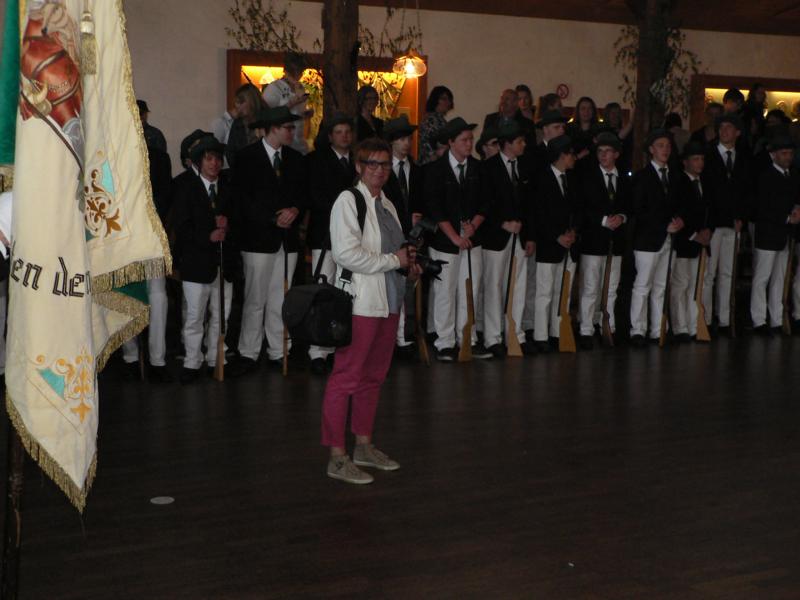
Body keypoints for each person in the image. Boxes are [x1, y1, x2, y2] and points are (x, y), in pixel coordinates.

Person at [322, 137, 422, 485]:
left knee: (373, 377)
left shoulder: (388, 204)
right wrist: (393, 260)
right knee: (346, 377)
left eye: (385, 164)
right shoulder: (348, 201)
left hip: (388, 301)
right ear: (359, 167)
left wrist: (408, 264)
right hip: (361, 303)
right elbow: (345, 254)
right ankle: (337, 456)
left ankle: (363, 445)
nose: (380, 170)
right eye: (372, 164)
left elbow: (396, 251)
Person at [228, 106, 307, 376]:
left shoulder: (295, 159)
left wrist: (295, 210)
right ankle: (248, 352)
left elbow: (301, 194)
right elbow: (242, 200)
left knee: (280, 298)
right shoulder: (246, 157)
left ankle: (279, 350)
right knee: (255, 298)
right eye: (288, 128)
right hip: (258, 240)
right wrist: (272, 218)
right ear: (273, 129)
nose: (292, 132)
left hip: (287, 240)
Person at [171, 137, 239, 384]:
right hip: (196, 263)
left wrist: (227, 226)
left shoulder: (228, 187)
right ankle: (192, 361)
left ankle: (216, 358)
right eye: (209, 159)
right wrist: (208, 234)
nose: (214, 164)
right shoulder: (186, 187)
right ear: (199, 163)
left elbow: (240, 221)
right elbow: (181, 226)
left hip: (223, 263)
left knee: (221, 314)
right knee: (194, 316)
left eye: (218, 159)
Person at [425, 117, 491, 361]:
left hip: (472, 239)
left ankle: (468, 339)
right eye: (464, 140)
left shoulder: (478, 168)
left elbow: (486, 202)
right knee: (445, 290)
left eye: (471, 139)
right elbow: (435, 207)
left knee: (469, 290)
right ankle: (444, 342)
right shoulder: (435, 170)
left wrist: (473, 226)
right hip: (445, 242)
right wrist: (454, 237)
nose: (469, 144)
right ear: (451, 142)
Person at [306, 114, 356, 375]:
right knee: (323, 291)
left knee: (345, 293)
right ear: (330, 136)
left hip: (351, 237)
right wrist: (341, 213)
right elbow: (315, 196)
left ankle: (340, 347)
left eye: (347, 131)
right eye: (339, 132)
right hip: (324, 235)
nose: (344, 136)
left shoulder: (357, 162)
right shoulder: (317, 161)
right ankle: (318, 351)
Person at [480, 121, 535, 357]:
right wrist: (502, 223)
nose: (524, 145)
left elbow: (529, 205)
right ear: (508, 144)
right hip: (496, 237)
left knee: (518, 286)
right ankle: (492, 337)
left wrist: (529, 236)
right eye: (520, 141)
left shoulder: (524, 166)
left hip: (519, 236)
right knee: (494, 286)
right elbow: (484, 204)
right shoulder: (488, 168)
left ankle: (515, 333)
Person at [629, 129, 685, 346]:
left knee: (661, 286)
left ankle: (657, 329)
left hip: (668, 239)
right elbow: (639, 210)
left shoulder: (675, 176)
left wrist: (679, 220)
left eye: (668, 146)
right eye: (661, 146)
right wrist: (663, 225)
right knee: (643, 285)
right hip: (647, 240)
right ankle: (638, 330)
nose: (665, 150)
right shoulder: (642, 177)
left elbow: (678, 204)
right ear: (651, 150)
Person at [576, 131, 630, 349]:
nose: (604, 155)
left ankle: (608, 325)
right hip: (593, 241)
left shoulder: (623, 178)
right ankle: (586, 329)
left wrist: (622, 217)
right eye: (600, 151)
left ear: (616, 154)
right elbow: (583, 207)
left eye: (608, 151)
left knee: (611, 287)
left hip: (615, 242)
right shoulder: (588, 177)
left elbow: (629, 206)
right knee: (590, 287)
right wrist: (603, 220)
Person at [701, 114, 750, 334]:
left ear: (737, 132)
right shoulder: (709, 155)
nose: (724, 131)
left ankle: (725, 319)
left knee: (728, 273)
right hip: (713, 222)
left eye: (729, 127)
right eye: (721, 127)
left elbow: (746, 192)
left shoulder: (743, 158)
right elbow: (707, 192)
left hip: (733, 223)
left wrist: (742, 218)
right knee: (709, 273)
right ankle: (705, 318)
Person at [532, 135, 581, 353]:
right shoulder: (542, 179)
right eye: (571, 154)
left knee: (564, 290)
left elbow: (576, 209)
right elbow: (539, 214)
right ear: (562, 155)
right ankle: (541, 335)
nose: (574, 158)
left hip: (568, 243)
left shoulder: (571, 179)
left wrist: (573, 231)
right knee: (545, 291)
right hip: (549, 244)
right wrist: (556, 236)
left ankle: (557, 331)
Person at [382, 115, 425, 357]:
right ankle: (392, 338)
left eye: (408, 138)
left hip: (412, 235)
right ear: (391, 142)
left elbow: (421, 200)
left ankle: (404, 337)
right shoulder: (384, 170)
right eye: (401, 139)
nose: (406, 143)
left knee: (407, 285)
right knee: (391, 286)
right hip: (390, 234)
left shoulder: (416, 170)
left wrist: (418, 221)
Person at [750, 133, 800, 335]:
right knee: (762, 277)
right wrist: (787, 218)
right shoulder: (765, 177)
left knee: (780, 277)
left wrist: (796, 210)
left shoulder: (792, 176)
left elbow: (795, 199)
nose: (788, 157)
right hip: (768, 234)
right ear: (773, 155)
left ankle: (776, 319)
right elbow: (763, 207)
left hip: (785, 234)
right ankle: (759, 320)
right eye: (784, 153)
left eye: (790, 153)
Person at [669, 141, 711, 342]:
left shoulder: (704, 183)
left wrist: (707, 230)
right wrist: (694, 234)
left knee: (696, 285)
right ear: (685, 162)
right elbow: (679, 212)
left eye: (702, 159)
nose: (700, 163)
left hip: (700, 242)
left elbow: (709, 210)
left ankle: (694, 325)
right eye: (695, 159)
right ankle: (680, 327)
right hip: (683, 241)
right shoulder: (679, 183)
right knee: (681, 284)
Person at [263, 52, 311, 154]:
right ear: (287, 72)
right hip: (281, 144)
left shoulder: (300, 88)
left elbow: (298, 113)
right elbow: (267, 116)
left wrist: (306, 114)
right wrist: (292, 103)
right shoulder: (274, 88)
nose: (299, 76)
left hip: (299, 142)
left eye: (301, 72)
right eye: (295, 72)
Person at [225, 84, 266, 168]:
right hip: (242, 170)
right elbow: (230, 152)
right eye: (237, 102)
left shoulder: (267, 120)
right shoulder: (237, 123)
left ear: (252, 101)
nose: (237, 106)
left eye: (241, 102)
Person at [418, 85, 454, 165]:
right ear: (435, 100)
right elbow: (430, 146)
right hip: (430, 164)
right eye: (444, 99)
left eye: (449, 100)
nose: (448, 103)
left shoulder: (439, 119)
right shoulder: (431, 120)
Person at [567, 96, 599, 161]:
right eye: (583, 108)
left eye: (589, 108)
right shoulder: (569, 129)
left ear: (593, 111)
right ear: (578, 111)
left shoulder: (599, 130)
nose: (586, 111)